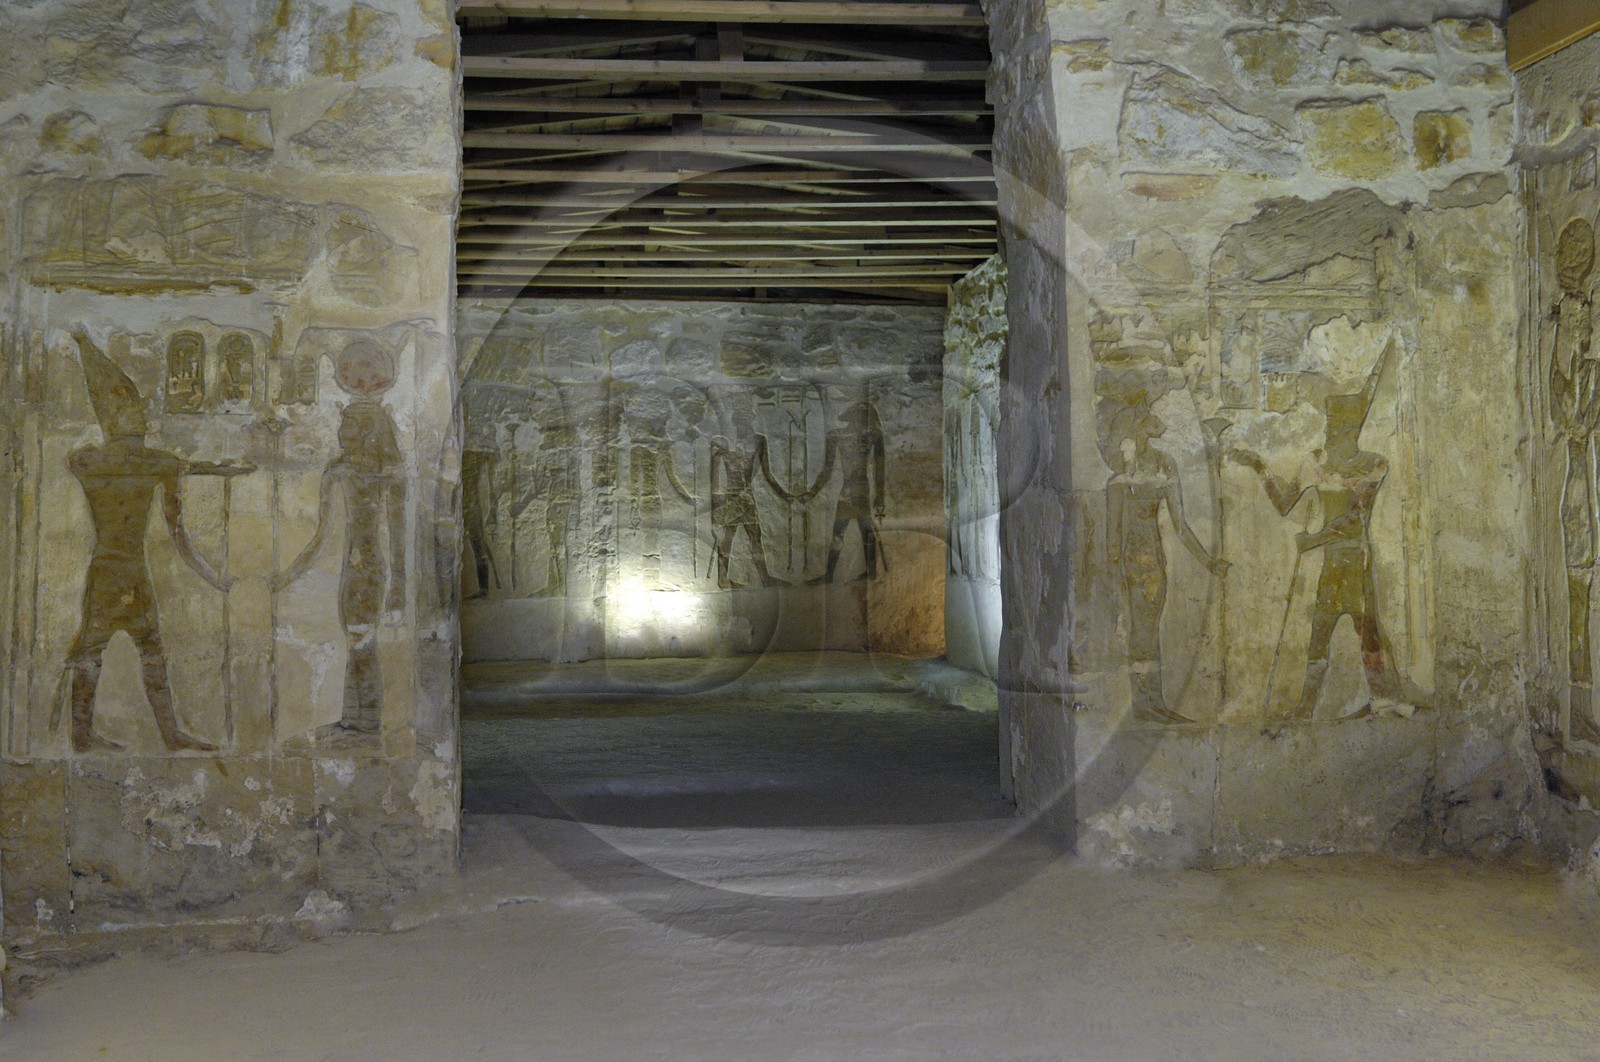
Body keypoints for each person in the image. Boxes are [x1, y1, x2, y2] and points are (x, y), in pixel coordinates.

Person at [63, 328, 248, 753]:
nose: (137, 418)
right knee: (113, 647)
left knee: (131, 647)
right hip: (117, 569)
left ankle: (154, 734)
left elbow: (180, 499)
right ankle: (97, 735)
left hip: (117, 567)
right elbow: (179, 524)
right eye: (129, 409)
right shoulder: (151, 463)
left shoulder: (92, 461)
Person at [1234, 338, 1398, 720]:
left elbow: (1354, 519)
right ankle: (1307, 707)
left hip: (1356, 560)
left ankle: (1382, 701)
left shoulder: (1373, 464)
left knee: (1367, 631)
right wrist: (1259, 467)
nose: (1330, 434)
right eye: (1331, 427)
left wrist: (1312, 540)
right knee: (1319, 632)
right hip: (1333, 563)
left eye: (1337, 428)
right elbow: (1285, 503)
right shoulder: (1316, 463)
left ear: (1351, 430)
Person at [273, 338, 406, 742]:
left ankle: (365, 722)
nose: (342, 433)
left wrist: (399, 583)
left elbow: (398, 531)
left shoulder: (386, 473)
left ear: (371, 431)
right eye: (344, 425)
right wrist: (287, 575)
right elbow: (319, 535)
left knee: (362, 639)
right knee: (356, 640)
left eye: (349, 426)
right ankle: (357, 719)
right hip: (355, 565)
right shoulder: (338, 472)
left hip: (369, 566)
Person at [1098, 373, 1225, 725]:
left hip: (1154, 561)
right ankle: (1145, 704)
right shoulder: (1119, 481)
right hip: (1132, 564)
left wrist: (1209, 562)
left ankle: (1151, 703)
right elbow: (1112, 541)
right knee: (1140, 631)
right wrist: (1113, 583)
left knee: (1149, 630)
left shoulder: (1164, 465)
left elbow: (1180, 525)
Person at [799, 398, 886, 585]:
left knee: (856, 532)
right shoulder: (841, 436)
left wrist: (881, 497)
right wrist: (812, 493)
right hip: (855, 491)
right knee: (854, 532)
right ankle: (836, 574)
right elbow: (827, 471)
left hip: (853, 491)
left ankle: (853, 573)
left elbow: (880, 469)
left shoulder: (870, 436)